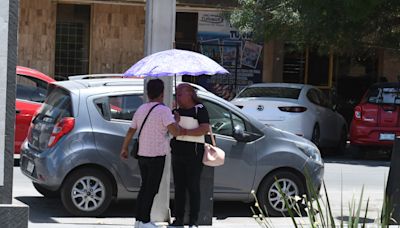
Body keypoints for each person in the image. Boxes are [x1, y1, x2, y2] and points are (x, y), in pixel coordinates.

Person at [120, 78, 182, 228]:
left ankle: (139, 220)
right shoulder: (164, 110)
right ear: (162, 93)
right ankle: (145, 220)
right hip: (157, 155)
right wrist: (176, 120)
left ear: (148, 93)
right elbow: (175, 132)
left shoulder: (141, 109)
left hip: (142, 154)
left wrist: (124, 147)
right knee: (151, 189)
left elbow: (131, 130)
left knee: (144, 187)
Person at [170, 83, 210, 228]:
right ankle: (178, 219)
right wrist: (175, 122)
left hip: (194, 153)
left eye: (180, 94)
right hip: (177, 152)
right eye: (176, 94)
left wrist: (185, 132)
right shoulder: (175, 111)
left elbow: (204, 128)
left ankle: (193, 221)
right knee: (179, 187)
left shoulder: (200, 109)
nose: (178, 97)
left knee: (193, 187)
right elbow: (170, 130)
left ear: (190, 94)